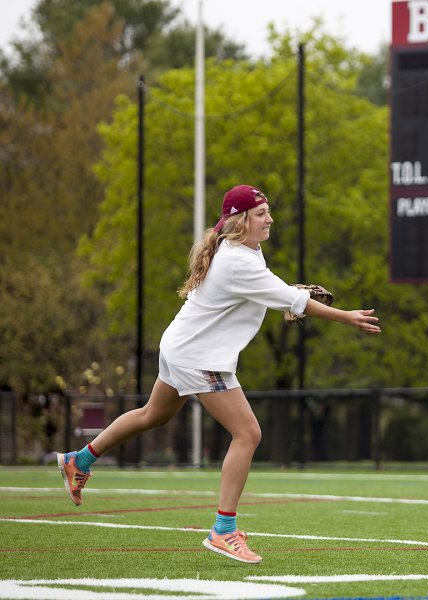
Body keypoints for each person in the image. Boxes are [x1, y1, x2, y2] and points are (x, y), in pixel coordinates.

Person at [55, 185, 381, 564]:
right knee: (248, 433)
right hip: (199, 357)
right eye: (261, 213)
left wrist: (287, 294)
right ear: (241, 221)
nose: (269, 219)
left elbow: (268, 292)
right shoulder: (238, 260)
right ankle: (223, 531)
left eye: (268, 212)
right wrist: (347, 317)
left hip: (181, 347)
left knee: (152, 415)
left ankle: (79, 460)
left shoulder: (242, 251)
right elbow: (288, 300)